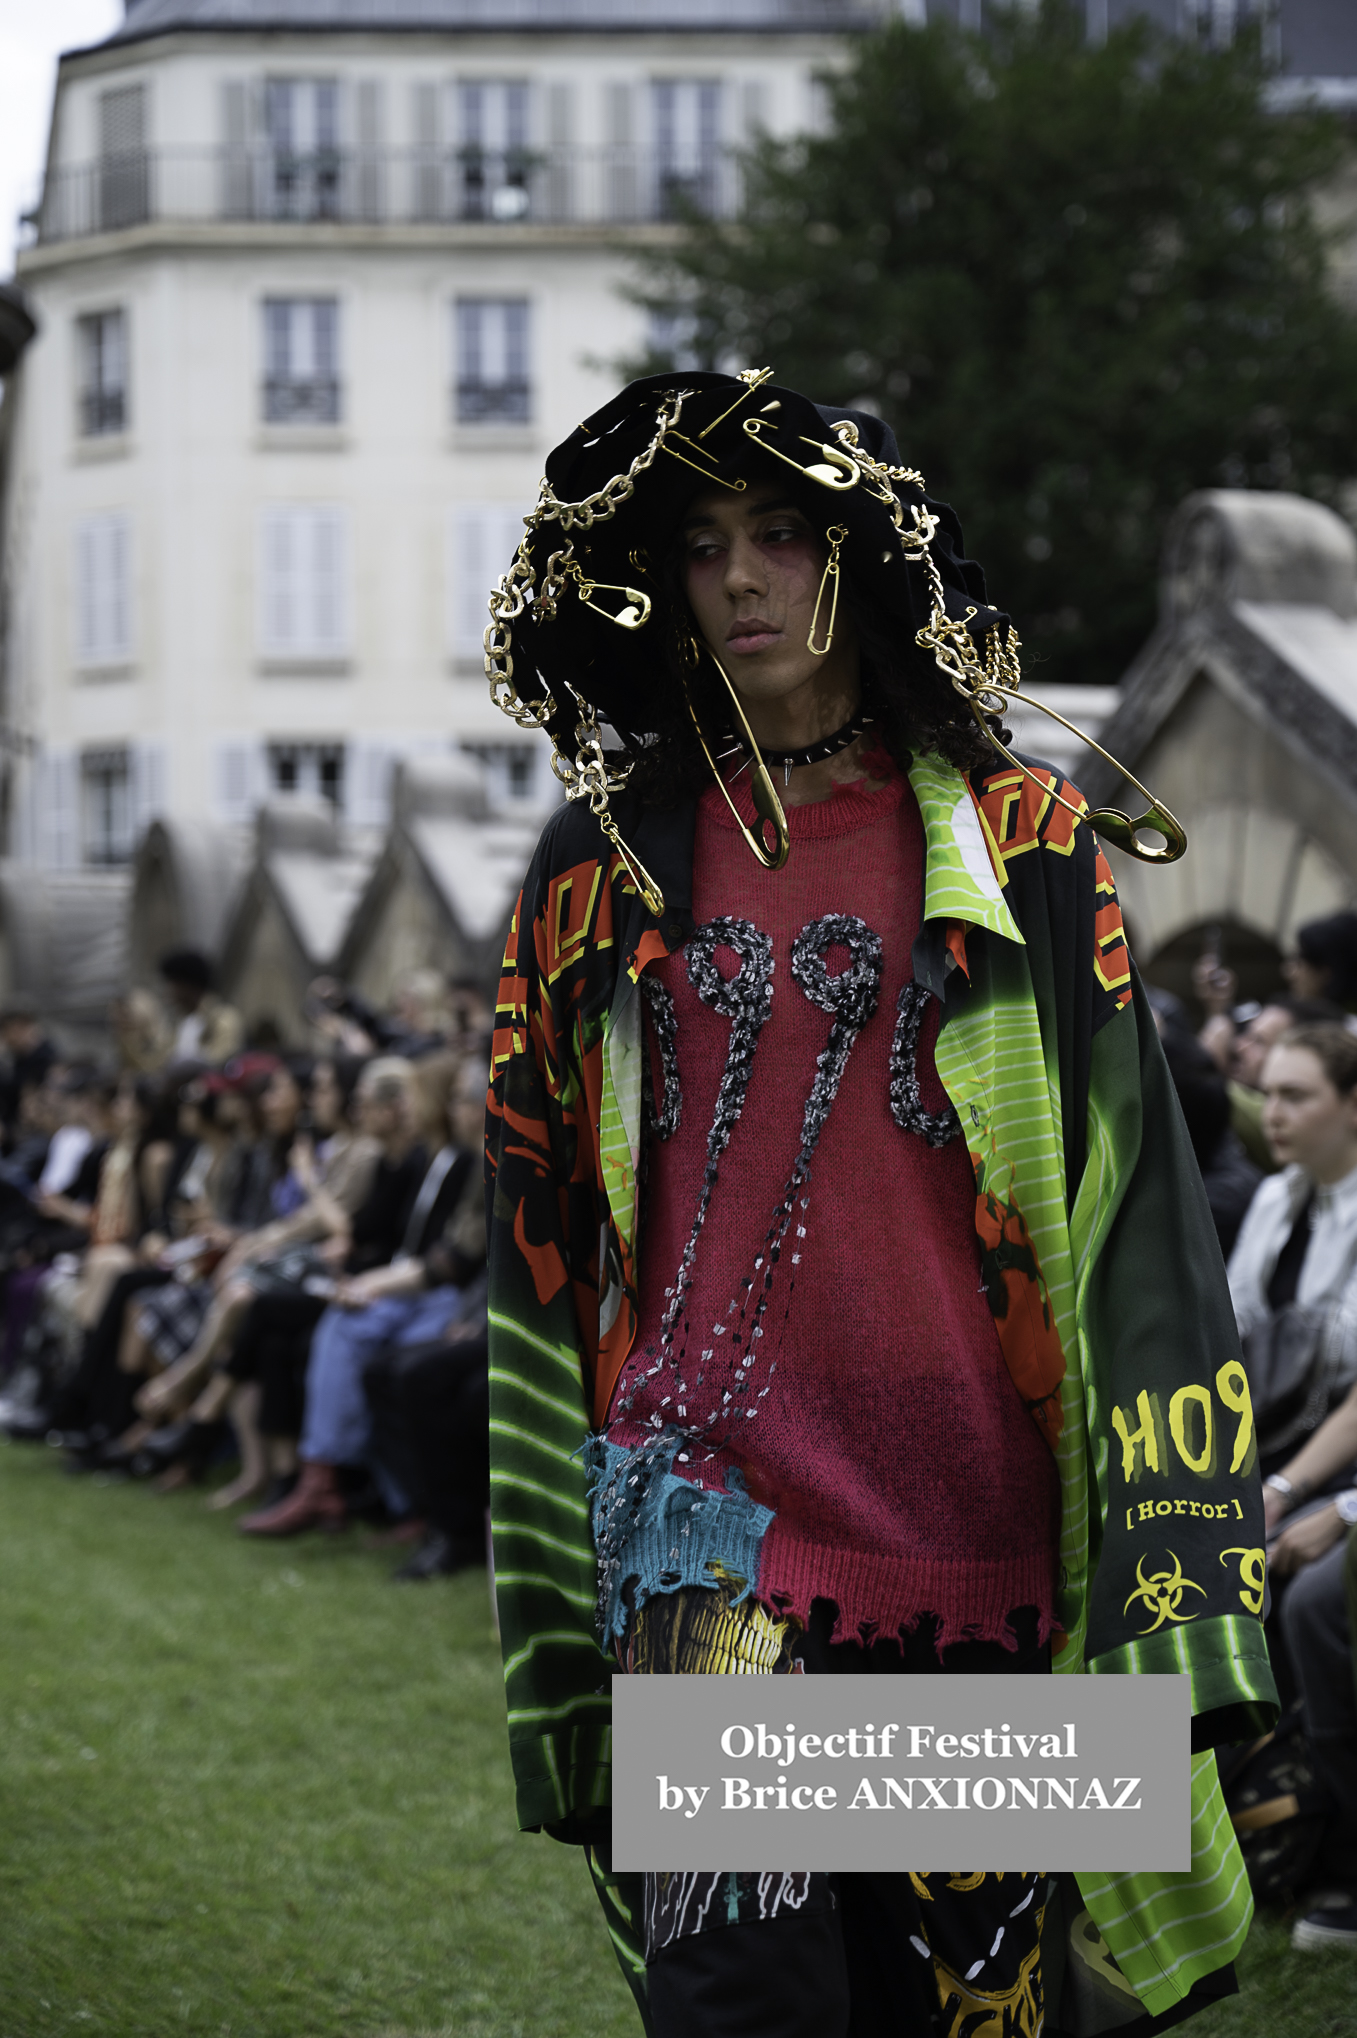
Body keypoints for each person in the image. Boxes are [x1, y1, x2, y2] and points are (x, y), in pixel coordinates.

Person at [483, 370, 1275, 2037]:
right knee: (739, 2002)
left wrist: (1185, 1576)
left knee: (974, 2005)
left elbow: (1136, 1224)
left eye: (784, 534)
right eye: (701, 546)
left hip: (976, 1531)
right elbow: (538, 1223)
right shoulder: (601, 857)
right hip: (700, 1523)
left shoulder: (1022, 838)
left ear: (868, 557)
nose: (746, 579)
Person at [157, 950, 244, 1066]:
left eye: (172, 983)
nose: (168, 990)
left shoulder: (224, 1017)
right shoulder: (179, 1022)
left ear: (188, 984)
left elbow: (220, 1060)